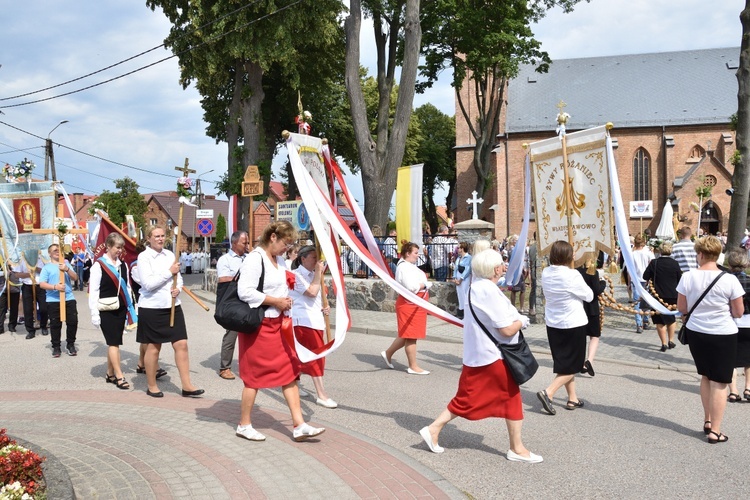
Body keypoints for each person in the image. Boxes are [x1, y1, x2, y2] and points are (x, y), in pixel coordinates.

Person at [419, 249, 541, 463]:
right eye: (502, 264)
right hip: (492, 356)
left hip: (481, 354)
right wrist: (522, 321)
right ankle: (517, 448)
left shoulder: (477, 287)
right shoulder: (487, 290)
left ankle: (434, 429)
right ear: (495, 269)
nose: (504, 266)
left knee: (469, 398)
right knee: (506, 398)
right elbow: (506, 330)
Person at [235, 221, 325, 442]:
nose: (288, 247)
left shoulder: (280, 260)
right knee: (254, 377)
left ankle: (299, 424)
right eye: (286, 242)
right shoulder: (255, 259)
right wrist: (276, 301)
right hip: (260, 326)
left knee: (290, 372)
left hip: (279, 324)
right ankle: (244, 424)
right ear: (273, 237)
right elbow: (244, 291)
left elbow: (288, 283)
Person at [677, 236, 744, 443]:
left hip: (697, 332)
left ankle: (707, 420)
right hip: (723, 333)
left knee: (706, 376)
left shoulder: (687, 277)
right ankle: (715, 430)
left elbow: (682, 308)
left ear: (700, 254)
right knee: (721, 382)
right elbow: (739, 312)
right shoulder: (730, 279)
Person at [136, 225, 203, 398]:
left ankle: (187, 385)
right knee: (153, 348)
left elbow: (178, 278)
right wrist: (168, 273)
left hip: (172, 305)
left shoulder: (170, 255)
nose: (159, 239)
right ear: (149, 238)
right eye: (156, 236)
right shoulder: (143, 257)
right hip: (152, 307)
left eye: (162, 235)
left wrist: (178, 289)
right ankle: (152, 385)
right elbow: (148, 284)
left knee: (181, 344)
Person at [537, 241, 593, 415]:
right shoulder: (572, 275)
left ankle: (572, 398)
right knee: (575, 365)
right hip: (572, 323)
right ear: (568, 256)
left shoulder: (546, 272)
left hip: (554, 323)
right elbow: (589, 295)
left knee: (564, 363)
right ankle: (549, 392)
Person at [290, 245, 336, 408]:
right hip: (303, 320)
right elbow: (311, 292)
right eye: (313, 257)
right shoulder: (296, 275)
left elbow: (318, 296)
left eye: (318, 258)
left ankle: (293, 384)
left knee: (301, 357)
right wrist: (318, 272)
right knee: (316, 356)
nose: (317, 261)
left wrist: (325, 306)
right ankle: (321, 395)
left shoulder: (316, 275)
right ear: (303, 259)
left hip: (316, 320)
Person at [89, 233, 135, 390]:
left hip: (120, 308)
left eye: (121, 247)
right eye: (117, 247)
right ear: (108, 246)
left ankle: (109, 373)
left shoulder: (123, 265)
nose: (120, 250)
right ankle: (119, 375)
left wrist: (130, 308)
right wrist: (94, 314)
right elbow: (93, 291)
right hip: (105, 309)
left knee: (114, 342)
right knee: (114, 342)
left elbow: (127, 287)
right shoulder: (98, 266)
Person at [381, 242, 432, 375]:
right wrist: (425, 284)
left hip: (414, 305)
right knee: (411, 336)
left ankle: (388, 353)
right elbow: (411, 287)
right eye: (415, 253)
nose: (417, 255)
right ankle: (413, 366)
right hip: (409, 305)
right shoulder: (404, 267)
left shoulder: (407, 266)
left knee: (407, 334)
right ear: (408, 253)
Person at [131, 240, 168, 381]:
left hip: (155, 303)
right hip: (144, 303)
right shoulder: (136, 267)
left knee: (145, 337)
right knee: (148, 338)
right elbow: (147, 283)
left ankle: (141, 363)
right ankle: (153, 366)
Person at [215, 230, 249, 380]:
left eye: (247, 242)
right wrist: (243, 278)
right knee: (232, 333)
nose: (247, 245)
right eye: (244, 243)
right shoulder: (225, 259)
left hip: (249, 299)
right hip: (233, 300)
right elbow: (223, 278)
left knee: (252, 332)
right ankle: (225, 367)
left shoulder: (249, 258)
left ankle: (250, 364)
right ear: (234, 243)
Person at [38, 244, 79, 358]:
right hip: (53, 299)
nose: (57, 252)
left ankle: (70, 344)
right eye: (54, 250)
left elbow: (75, 278)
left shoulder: (66, 264)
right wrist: (55, 287)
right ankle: (56, 346)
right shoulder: (47, 267)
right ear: (50, 253)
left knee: (73, 321)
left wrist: (67, 269)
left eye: (58, 250)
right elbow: (42, 284)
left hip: (68, 298)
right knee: (55, 324)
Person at [642, 242, 683, 351]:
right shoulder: (675, 263)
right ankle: (671, 340)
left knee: (659, 320)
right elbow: (680, 279)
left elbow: (645, 276)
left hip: (657, 295)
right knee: (671, 318)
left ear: (659, 251)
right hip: (672, 295)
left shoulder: (654, 263)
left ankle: (663, 343)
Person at [576, 251, 606, 376]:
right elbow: (597, 290)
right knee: (594, 336)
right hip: (592, 308)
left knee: (581, 336)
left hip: (579, 307)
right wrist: (603, 282)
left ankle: (580, 361)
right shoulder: (593, 272)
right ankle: (589, 361)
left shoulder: (576, 272)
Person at [726, 248, 750, 403]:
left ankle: (733, 391)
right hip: (749, 322)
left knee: (730, 359)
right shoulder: (749, 280)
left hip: (729, 323)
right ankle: (748, 387)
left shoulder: (725, 280)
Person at [15, 256, 48, 339]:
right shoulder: (22, 259)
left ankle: (43, 326)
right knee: (28, 309)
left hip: (40, 285)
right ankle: (30, 330)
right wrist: (28, 274)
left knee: (44, 308)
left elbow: (47, 271)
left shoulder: (41, 258)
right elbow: (17, 274)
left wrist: (36, 269)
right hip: (27, 286)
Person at [631, 233, 654, 333]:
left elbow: (629, 270)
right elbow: (652, 265)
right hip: (646, 279)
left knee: (637, 302)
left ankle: (639, 324)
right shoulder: (648, 253)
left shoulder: (632, 254)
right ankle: (645, 320)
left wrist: (628, 282)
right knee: (647, 300)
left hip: (635, 279)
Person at [0, 262, 21, 334]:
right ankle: (0, 327)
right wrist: (4, 273)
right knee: (1, 308)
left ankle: (12, 325)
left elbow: (19, 271)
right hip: (2, 288)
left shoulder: (15, 260)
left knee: (14, 307)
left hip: (15, 287)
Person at [453, 242, 471, 320]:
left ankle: (467, 313)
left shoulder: (469, 258)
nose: (458, 249)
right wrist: (454, 278)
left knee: (465, 294)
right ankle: (461, 311)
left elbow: (467, 269)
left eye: (459, 248)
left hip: (464, 279)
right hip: (458, 277)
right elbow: (456, 268)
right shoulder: (458, 258)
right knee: (460, 294)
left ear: (463, 249)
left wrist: (461, 279)